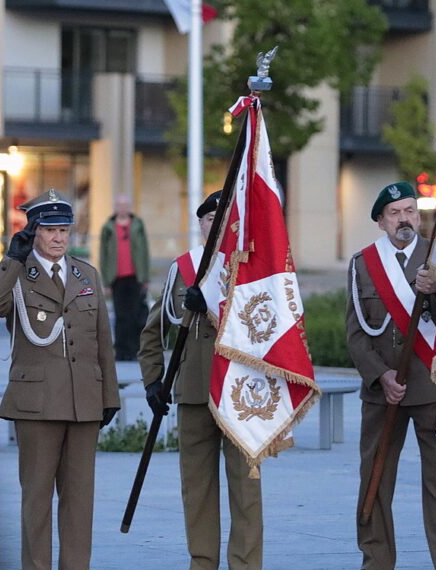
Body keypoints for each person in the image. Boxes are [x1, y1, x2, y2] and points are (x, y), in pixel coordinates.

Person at [0, 189, 120, 569]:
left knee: (79, 503)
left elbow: (103, 342)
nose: (58, 238)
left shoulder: (85, 274)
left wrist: (109, 398)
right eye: (50, 230)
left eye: (64, 230)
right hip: (36, 405)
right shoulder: (18, 274)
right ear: (33, 232)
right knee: (37, 502)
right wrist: (12, 258)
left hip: (83, 403)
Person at [138, 190, 263, 569]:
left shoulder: (255, 269)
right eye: (210, 220)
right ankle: (203, 562)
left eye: (224, 220)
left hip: (242, 395)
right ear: (201, 224)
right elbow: (152, 332)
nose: (217, 226)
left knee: (246, 488)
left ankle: (245, 564)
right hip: (193, 392)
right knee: (197, 489)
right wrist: (153, 382)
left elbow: (267, 329)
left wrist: (209, 307)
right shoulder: (183, 268)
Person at [347, 182, 436, 570]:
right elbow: (356, 332)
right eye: (395, 213)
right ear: (380, 221)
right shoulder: (362, 263)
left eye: (410, 211)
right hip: (383, 393)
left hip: (430, 385)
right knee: (375, 482)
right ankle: (376, 562)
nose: (404, 219)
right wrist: (380, 376)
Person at [99, 193, 150, 361]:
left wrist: (145, 277)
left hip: (135, 276)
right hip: (117, 278)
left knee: (135, 315)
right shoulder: (108, 227)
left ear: (129, 207)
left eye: (125, 205)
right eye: (119, 205)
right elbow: (103, 255)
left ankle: (135, 350)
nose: (122, 208)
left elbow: (144, 252)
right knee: (121, 316)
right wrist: (105, 281)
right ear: (115, 207)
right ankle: (121, 351)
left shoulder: (138, 224)